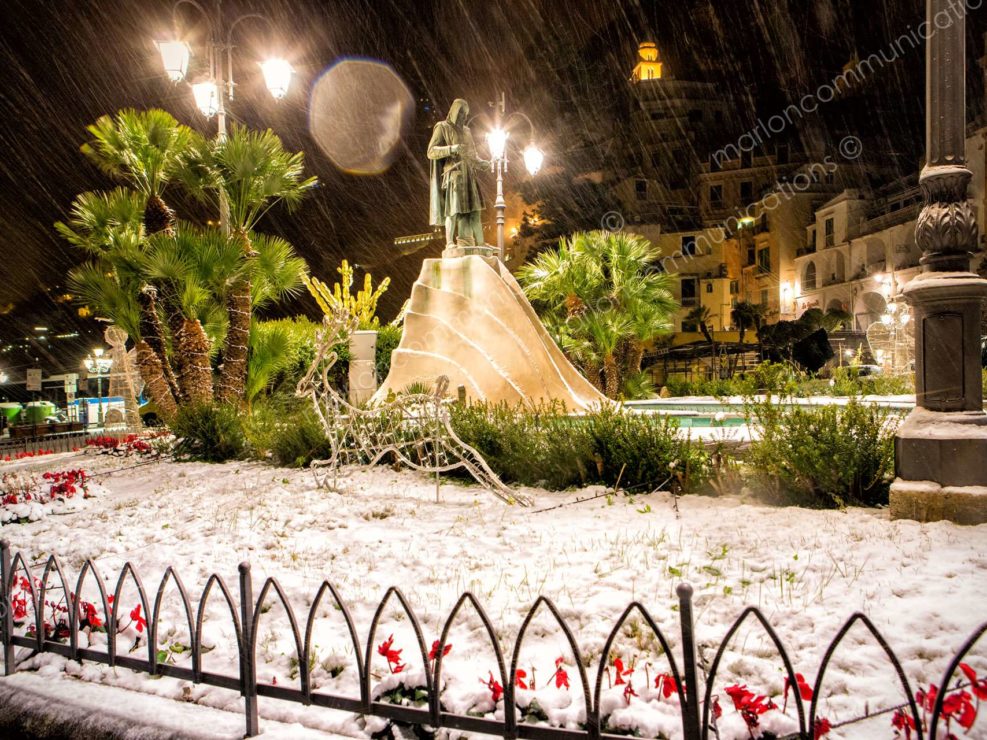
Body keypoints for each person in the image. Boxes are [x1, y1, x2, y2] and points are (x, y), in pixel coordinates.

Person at [428, 99, 489, 247]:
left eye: (466, 114)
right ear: (454, 111)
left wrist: (481, 163)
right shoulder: (442, 127)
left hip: (469, 176)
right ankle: (449, 243)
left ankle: (480, 243)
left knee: (475, 211)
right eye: (461, 113)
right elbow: (430, 151)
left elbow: (472, 155)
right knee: (453, 210)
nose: (464, 117)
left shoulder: (467, 131)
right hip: (454, 175)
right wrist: (451, 149)